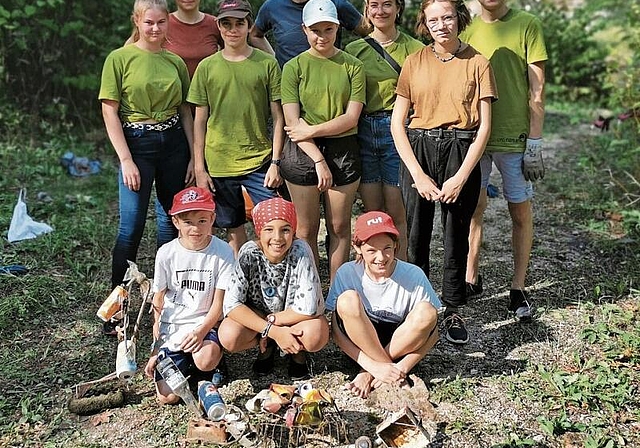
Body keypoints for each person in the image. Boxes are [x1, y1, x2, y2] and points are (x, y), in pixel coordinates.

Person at [390, 0, 497, 344]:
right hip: (419, 148)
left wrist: (461, 176)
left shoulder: (478, 63)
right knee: (417, 235)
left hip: (460, 149)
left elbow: (484, 128)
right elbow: (397, 124)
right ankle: (419, 309)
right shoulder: (414, 61)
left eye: (447, 17)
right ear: (425, 23)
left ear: (459, 18)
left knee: (456, 235)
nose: (441, 25)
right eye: (433, 19)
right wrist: (417, 174)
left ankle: (452, 309)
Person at [99, 0, 194, 290]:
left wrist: (194, 156)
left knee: (170, 219)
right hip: (137, 144)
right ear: (137, 22)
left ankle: (164, 294)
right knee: (131, 227)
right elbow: (109, 110)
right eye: (149, 22)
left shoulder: (175, 61)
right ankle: (117, 305)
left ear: (168, 23)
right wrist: (126, 159)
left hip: (174, 144)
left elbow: (184, 110)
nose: (155, 28)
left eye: (161, 22)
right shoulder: (120, 58)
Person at [462, 0, 547, 322]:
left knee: (520, 211)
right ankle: (471, 277)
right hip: (474, 135)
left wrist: (535, 142)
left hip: (515, 137)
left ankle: (518, 288)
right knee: (474, 208)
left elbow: (537, 90)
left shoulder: (527, 24)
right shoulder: (467, 27)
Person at [188, 0, 285, 255]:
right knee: (233, 227)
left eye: (239, 23)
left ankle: (269, 277)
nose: (233, 30)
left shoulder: (266, 63)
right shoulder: (207, 67)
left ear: (248, 25)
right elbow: (199, 121)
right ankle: (240, 282)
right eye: (227, 24)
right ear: (219, 27)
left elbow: (279, 116)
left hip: (260, 161)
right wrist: (200, 167)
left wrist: (276, 162)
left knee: (273, 222)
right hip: (220, 161)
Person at [279, 0, 366, 281]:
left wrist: (311, 130)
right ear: (304, 29)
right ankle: (312, 290)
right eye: (315, 30)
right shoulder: (293, 67)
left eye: (328, 29)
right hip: (303, 151)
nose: (322, 36)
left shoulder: (352, 65)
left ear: (338, 28)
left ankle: (338, 294)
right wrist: (318, 158)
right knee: (306, 229)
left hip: (342, 148)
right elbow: (292, 122)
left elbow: (351, 117)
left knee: (340, 226)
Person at [326, 211, 441, 398]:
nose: (381, 257)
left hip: (400, 345)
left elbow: (433, 333)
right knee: (347, 300)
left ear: (396, 245)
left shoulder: (414, 274)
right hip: (360, 344)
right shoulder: (347, 272)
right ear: (358, 248)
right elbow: (336, 332)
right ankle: (378, 368)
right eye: (371, 250)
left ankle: (371, 373)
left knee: (427, 312)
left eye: (387, 248)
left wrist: (401, 367)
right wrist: (374, 366)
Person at [345, 0, 424, 260]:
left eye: (387, 4)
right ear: (366, 8)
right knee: (372, 210)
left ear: (398, 8)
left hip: (398, 130)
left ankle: (402, 270)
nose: (380, 11)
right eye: (374, 5)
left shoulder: (415, 50)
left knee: (397, 210)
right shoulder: (353, 50)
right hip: (363, 130)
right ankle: (372, 270)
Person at [218, 197, 329, 380]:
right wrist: (273, 331)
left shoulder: (301, 251)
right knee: (229, 335)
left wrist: (273, 322)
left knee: (315, 335)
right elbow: (231, 304)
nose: (277, 238)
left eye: (285, 230)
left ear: (293, 232)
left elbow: (309, 307)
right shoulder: (248, 253)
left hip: (294, 318)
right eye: (269, 229)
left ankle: (297, 351)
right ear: (258, 232)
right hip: (260, 315)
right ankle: (269, 344)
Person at [144, 187, 235, 405]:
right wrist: (156, 348)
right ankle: (183, 362)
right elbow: (158, 300)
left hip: (204, 322)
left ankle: (211, 364)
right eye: (188, 222)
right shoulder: (166, 253)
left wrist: (201, 330)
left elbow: (219, 303)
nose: (195, 228)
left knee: (206, 360)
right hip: (173, 326)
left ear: (213, 219)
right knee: (167, 397)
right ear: (176, 222)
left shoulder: (223, 252)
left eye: (202, 221)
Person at [250, 0, 368, 67]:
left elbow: (369, 31)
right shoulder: (272, 6)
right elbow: (254, 35)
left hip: (331, 78)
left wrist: (352, 60)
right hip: (290, 82)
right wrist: (274, 60)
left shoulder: (334, 4)